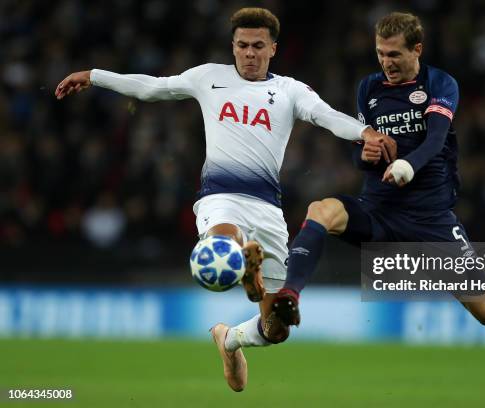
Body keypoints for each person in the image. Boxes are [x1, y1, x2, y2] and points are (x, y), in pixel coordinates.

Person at [55, 7, 396, 392]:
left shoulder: (289, 90)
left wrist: (364, 132)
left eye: (257, 46)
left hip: (267, 209)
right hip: (220, 197)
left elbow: (326, 115)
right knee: (223, 242)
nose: (249, 53)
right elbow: (152, 87)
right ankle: (240, 259)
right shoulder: (209, 77)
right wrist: (94, 76)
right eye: (242, 46)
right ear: (232, 47)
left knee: (276, 328)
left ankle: (229, 338)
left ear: (273, 49)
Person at [273, 11, 485, 343]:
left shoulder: (439, 84)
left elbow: (435, 140)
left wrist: (407, 166)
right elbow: (363, 153)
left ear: (417, 49)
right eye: (380, 53)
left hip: (429, 219)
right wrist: (365, 155)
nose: (386, 62)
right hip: (378, 211)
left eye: (394, 54)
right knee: (320, 210)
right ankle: (289, 294)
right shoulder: (369, 88)